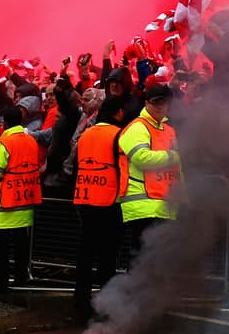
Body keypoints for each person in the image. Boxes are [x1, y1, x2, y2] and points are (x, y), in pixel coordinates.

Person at [71, 96, 127, 320]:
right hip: (109, 202)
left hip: (84, 198)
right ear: (120, 112)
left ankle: (81, 305)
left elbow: (76, 165)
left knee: (85, 256)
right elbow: (123, 169)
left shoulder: (86, 134)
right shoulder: (118, 135)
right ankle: (106, 307)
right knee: (107, 257)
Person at [118, 83, 183, 255]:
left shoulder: (168, 130)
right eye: (156, 102)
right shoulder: (138, 127)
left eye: (164, 102)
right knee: (142, 259)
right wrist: (173, 156)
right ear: (146, 103)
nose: (161, 106)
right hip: (144, 206)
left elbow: (178, 169)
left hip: (164, 204)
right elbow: (141, 158)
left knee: (156, 260)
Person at [0, 105, 38, 292]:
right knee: (21, 243)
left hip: (3, 203)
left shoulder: (4, 143)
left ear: (4, 122)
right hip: (24, 202)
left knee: (1, 246)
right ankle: (21, 276)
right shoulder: (31, 141)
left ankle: (1, 282)